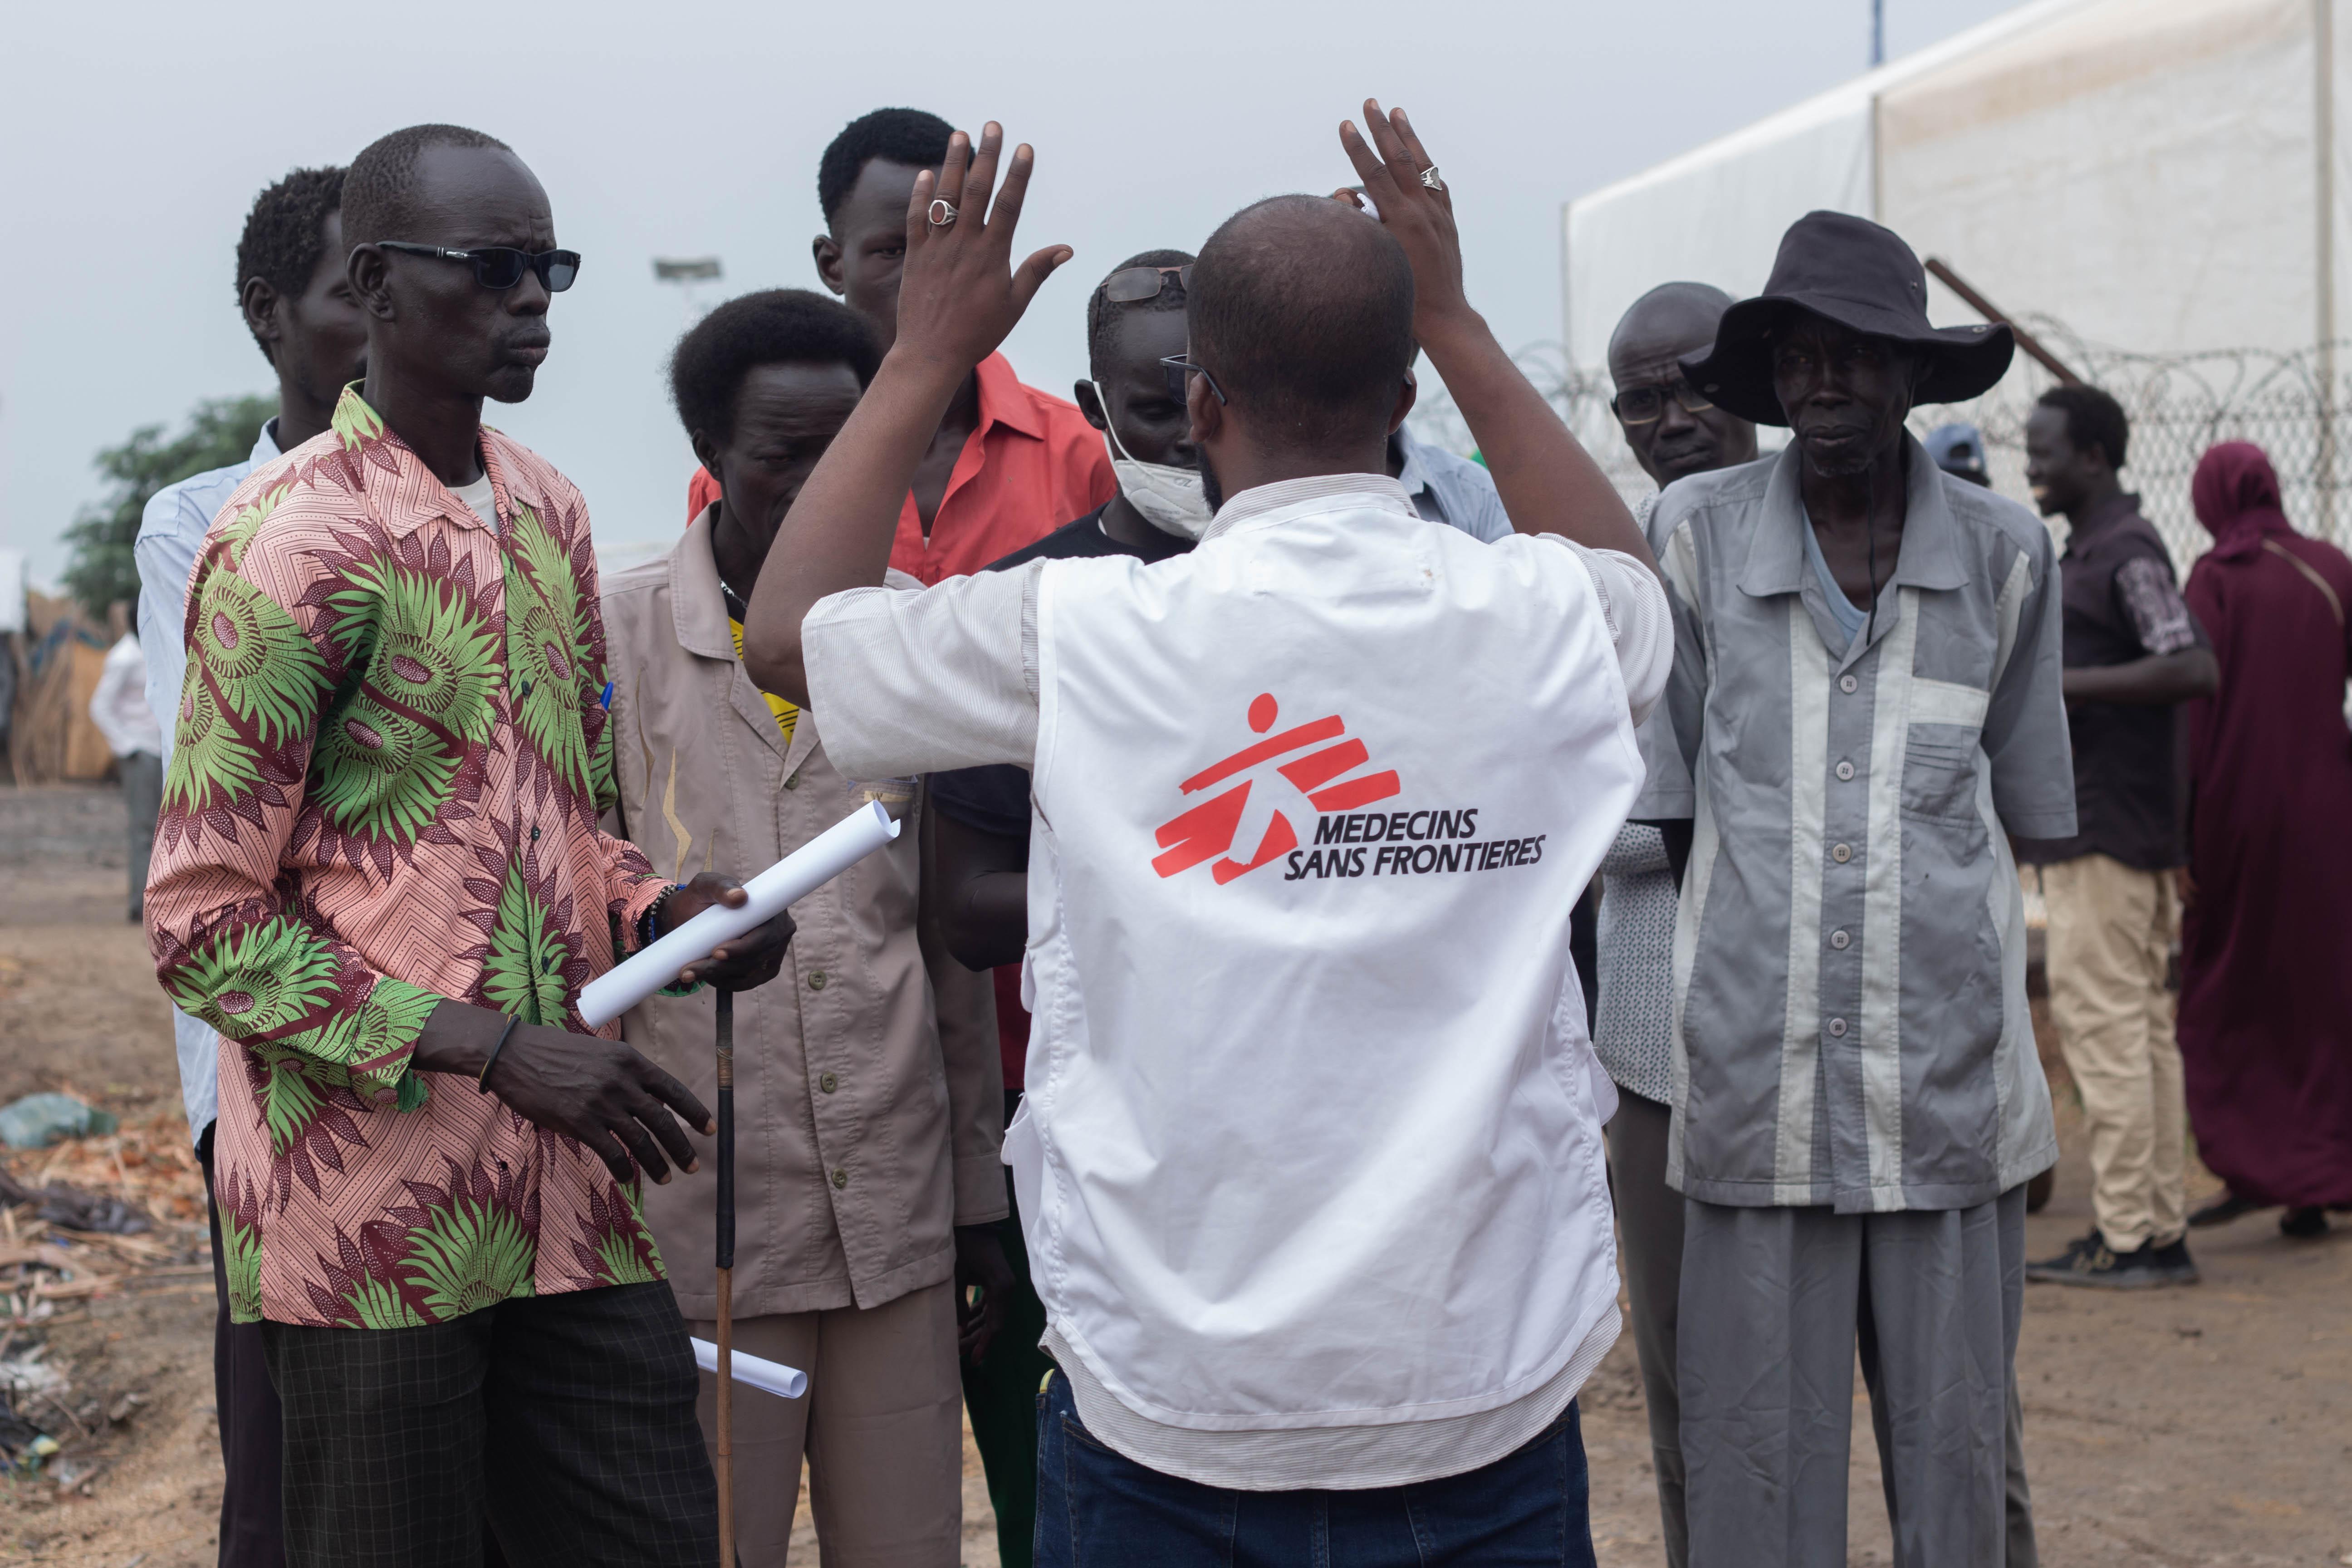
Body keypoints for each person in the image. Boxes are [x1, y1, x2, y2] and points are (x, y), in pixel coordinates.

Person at [743, 104, 1669, 1560]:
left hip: (1167, 1400)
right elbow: (1630, 577)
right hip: (1479, 1382)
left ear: (1205, 402)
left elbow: (790, 634)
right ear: (1406, 392)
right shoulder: (1546, 618)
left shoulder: (1084, 631)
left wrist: (925, 351)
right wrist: (1463, 321)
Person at [144, 123, 796, 1567]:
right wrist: (498, 1048)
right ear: (374, 284)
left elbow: (564, 829)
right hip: (368, 1221)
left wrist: (670, 913)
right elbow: (201, 923)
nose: (534, 305)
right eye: (492, 271)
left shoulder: (551, 509)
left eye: (549, 270)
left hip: (570, 1198)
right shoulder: (286, 540)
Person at [1642, 210, 2073, 1568]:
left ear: (1912, 375)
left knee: (1957, 1466)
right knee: (1753, 1471)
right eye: (1802, 357)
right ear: (1770, 381)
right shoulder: (1695, 541)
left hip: (1939, 1099)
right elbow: (1675, 797)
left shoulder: (2006, 558)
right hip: (1755, 1091)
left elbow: (2017, 814)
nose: (1828, 383)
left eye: (1861, 356)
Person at [600, 286, 1006, 1565]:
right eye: (786, 455)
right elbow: (564, 903)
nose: (822, 483)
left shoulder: (911, 644)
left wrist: (977, 1200)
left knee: (908, 1543)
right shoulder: (607, 638)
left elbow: (942, 949)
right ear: (712, 461)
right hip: (697, 1220)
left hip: (895, 1216)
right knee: (710, 1539)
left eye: (853, 451)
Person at [132, 162, 369, 1568]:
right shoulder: (202, 523)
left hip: (461, 1052)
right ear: (269, 315)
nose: (391, 320)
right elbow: (241, 793)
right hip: (269, 1046)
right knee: (285, 1442)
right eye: (358, 292)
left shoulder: (502, 505)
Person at [1592, 279, 1756, 1568]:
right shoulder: (1619, 558)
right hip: (1658, 1039)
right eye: (1641, 400)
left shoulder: (1834, 542)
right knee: (1693, 1385)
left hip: (1828, 1027)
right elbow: (1636, 817)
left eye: (1696, 385)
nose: (1672, 419)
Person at [684, 108, 1111, 582]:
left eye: (952, 248)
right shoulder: (750, 472)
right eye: (894, 251)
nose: (930, 278)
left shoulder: (1085, 453)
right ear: (833, 265)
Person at [2015, 385, 2215, 1287]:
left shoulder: (2124, 552)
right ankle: (2155, 1231)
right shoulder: (2096, 549)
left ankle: (2131, 1236)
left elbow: (2191, 661)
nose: (2032, 466)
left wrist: (2063, 685)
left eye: (2046, 451)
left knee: (2106, 1032)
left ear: (2093, 457)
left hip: (2104, 829)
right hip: (2117, 827)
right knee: (2139, 1032)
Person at [2175, 441, 2352, 1239]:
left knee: (2230, 990)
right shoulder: (2331, 568)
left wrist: (2179, 831)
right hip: (2326, 809)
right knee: (2318, 991)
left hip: (2233, 814)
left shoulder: (2214, 579)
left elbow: (2191, 716)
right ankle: (2318, 1175)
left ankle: (2259, 1164)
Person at [90, 605, 164, 921]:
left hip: (162, 752)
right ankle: (140, 905)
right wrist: (128, 747)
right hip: (141, 753)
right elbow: (100, 707)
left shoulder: (155, 648)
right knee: (144, 830)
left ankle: (161, 904)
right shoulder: (124, 658)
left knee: (163, 830)